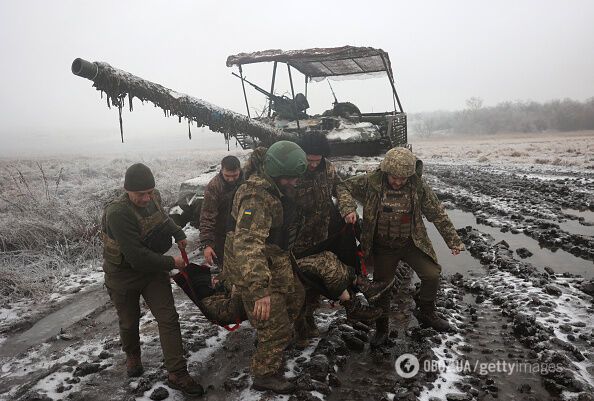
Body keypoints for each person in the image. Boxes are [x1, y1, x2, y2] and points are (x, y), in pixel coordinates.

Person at [342, 147, 465, 345]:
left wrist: (453, 241)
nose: (398, 182)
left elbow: (437, 213)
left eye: (403, 178)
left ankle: (427, 312)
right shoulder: (370, 183)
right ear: (385, 172)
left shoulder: (418, 187)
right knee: (383, 288)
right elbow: (342, 187)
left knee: (432, 274)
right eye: (394, 177)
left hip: (410, 243)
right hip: (382, 248)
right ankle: (382, 329)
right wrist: (348, 208)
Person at [101, 163, 204, 397]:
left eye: (149, 192)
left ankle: (177, 373)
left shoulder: (152, 196)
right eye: (141, 194)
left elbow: (162, 218)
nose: (147, 198)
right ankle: (133, 356)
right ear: (127, 190)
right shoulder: (118, 213)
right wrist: (172, 263)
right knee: (129, 321)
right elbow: (136, 256)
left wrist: (178, 233)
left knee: (168, 318)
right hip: (123, 274)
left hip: (152, 270)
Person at [223, 141, 307, 394]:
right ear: (276, 173)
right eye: (290, 178)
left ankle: (272, 341)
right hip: (254, 269)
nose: (294, 182)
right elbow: (248, 244)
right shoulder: (256, 198)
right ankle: (264, 374)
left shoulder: (274, 187)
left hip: (274, 260)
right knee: (275, 324)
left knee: (296, 298)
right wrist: (260, 291)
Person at [293, 133, 387, 341]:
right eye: (309, 160)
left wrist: (346, 209)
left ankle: (310, 319)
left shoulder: (328, 169)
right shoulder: (294, 171)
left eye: (317, 160)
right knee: (302, 284)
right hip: (298, 240)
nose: (312, 164)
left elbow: (341, 188)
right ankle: (301, 328)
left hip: (323, 234)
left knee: (318, 282)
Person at [198, 155, 243, 268]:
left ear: (240, 170)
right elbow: (207, 216)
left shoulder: (247, 181)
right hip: (222, 235)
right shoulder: (214, 186)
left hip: (244, 232)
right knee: (226, 269)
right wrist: (207, 244)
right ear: (221, 170)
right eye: (227, 176)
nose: (231, 179)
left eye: (235, 175)